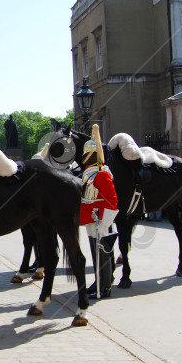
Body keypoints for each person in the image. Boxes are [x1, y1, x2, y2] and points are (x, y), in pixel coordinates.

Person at [79, 124, 118, 299]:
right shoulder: (90, 171)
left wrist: (105, 224)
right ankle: (99, 283)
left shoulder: (102, 173)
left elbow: (113, 200)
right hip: (91, 219)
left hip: (101, 221)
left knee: (103, 255)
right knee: (97, 255)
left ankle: (105, 288)